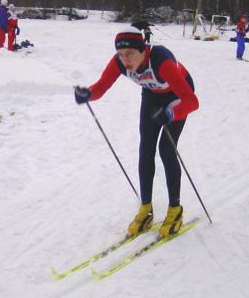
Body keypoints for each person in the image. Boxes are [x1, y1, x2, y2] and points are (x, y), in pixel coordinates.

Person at [74, 26, 199, 238]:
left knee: (166, 150)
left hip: (177, 96)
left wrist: (170, 114)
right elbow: (102, 86)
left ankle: (175, 209)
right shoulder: (119, 63)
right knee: (146, 148)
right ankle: (145, 209)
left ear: (143, 49)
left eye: (130, 53)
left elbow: (192, 101)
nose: (126, 60)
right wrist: (88, 94)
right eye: (121, 54)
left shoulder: (161, 60)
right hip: (152, 95)